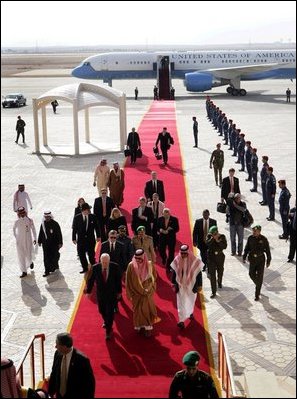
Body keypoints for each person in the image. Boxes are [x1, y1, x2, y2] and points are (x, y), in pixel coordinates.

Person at [85, 253, 122, 340]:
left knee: (110, 313)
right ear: (100, 261)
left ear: (109, 261)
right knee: (101, 310)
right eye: (103, 262)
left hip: (112, 294)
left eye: (106, 262)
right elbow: (91, 280)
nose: (105, 264)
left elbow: (118, 280)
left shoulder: (115, 267)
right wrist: (89, 291)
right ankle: (106, 321)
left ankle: (108, 331)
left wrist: (119, 292)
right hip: (101, 294)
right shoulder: (95, 268)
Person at [48, 332, 95, 398]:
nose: (55, 346)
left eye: (57, 344)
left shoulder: (82, 360)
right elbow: (54, 373)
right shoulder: (57, 354)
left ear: (64, 346)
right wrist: (50, 392)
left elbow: (89, 383)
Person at [126, 249, 160, 337]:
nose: (137, 260)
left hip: (147, 292)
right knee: (137, 311)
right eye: (136, 258)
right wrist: (129, 293)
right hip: (136, 293)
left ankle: (148, 328)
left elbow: (154, 277)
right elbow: (128, 280)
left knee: (147, 310)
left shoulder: (149, 264)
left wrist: (150, 289)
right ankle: (139, 326)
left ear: (144, 257)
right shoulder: (131, 265)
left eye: (139, 259)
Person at [170, 245, 203, 329]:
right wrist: (173, 282)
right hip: (180, 286)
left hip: (192, 285)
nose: (183, 255)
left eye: (185, 253)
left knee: (191, 300)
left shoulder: (195, 261)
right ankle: (181, 321)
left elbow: (199, 273)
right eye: (182, 253)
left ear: (188, 252)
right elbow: (174, 272)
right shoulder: (177, 260)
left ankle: (190, 312)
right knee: (180, 302)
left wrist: (199, 285)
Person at [243, 224, 271, 301]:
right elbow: (247, 248)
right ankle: (258, 284)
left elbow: (268, 251)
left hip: (261, 260)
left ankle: (257, 294)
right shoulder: (250, 238)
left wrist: (268, 261)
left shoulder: (264, 239)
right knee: (251, 274)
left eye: (255, 231)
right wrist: (244, 256)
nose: (254, 232)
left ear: (259, 231)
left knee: (260, 276)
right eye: (253, 231)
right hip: (252, 259)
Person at [72, 203, 100, 274]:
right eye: (84, 210)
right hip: (81, 240)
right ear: (81, 210)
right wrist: (74, 238)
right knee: (81, 254)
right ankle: (85, 268)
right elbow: (74, 228)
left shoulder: (93, 217)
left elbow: (97, 227)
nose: (85, 212)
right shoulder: (77, 217)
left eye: (87, 210)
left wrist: (98, 236)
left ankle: (93, 266)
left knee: (91, 254)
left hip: (90, 239)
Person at [13, 207, 36, 278]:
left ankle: (30, 262)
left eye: (23, 213)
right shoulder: (17, 221)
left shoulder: (29, 220)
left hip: (28, 240)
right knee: (21, 256)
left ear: (25, 213)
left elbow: (33, 229)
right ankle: (24, 271)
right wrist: (16, 237)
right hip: (20, 242)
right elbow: (14, 229)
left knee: (28, 254)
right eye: (20, 213)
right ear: (18, 214)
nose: (22, 214)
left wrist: (35, 238)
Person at [38, 211, 63, 277]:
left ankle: (55, 266)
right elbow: (41, 232)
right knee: (46, 257)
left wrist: (60, 242)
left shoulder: (55, 224)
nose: (47, 218)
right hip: (45, 244)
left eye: (48, 217)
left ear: (50, 216)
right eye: (45, 217)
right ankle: (47, 271)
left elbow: (59, 234)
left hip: (54, 244)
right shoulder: (43, 224)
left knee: (54, 256)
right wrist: (39, 241)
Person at [206, 225, 227, 298]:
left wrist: (218, 241)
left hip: (220, 257)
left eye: (213, 233)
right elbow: (207, 244)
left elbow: (224, 246)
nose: (212, 235)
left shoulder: (222, 236)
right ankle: (213, 291)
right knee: (212, 275)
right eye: (211, 234)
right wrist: (212, 238)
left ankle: (219, 282)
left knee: (220, 271)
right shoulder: (209, 236)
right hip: (211, 258)